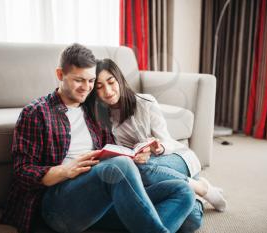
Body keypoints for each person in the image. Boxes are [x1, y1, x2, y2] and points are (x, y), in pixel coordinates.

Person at [0, 44, 196, 233]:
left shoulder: (94, 112)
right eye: (79, 80)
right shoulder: (37, 113)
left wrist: (137, 153)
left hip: (99, 199)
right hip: (57, 205)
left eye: (91, 81)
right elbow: (21, 171)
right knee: (119, 166)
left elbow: (112, 154)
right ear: (60, 75)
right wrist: (65, 171)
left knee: (183, 194)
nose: (86, 87)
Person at [86, 58, 228, 232]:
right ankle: (195, 195)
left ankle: (200, 187)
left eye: (111, 82)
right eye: (99, 87)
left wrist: (157, 149)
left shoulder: (145, 102)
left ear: (120, 79)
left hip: (174, 158)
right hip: (147, 169)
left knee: (140, 169)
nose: (107, 91)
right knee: (191, 222)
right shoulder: (103, 116)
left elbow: (166, 140)